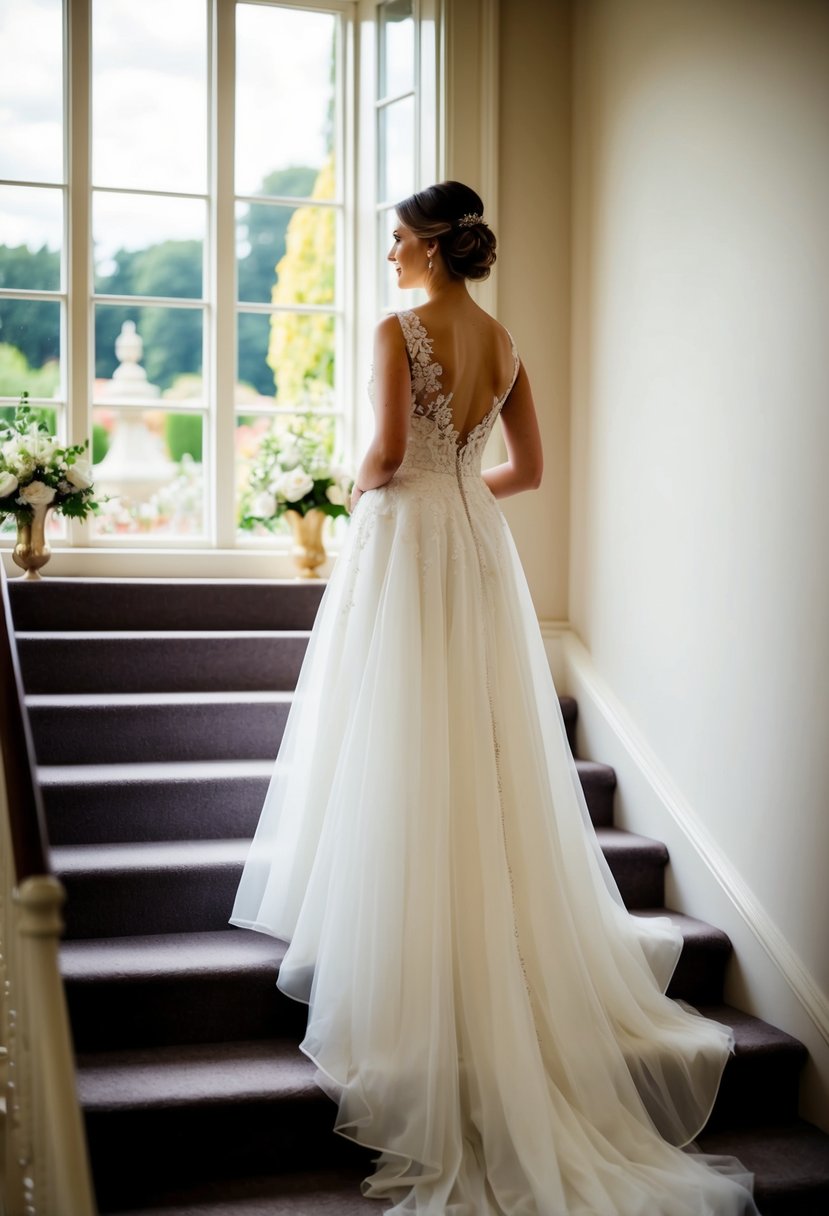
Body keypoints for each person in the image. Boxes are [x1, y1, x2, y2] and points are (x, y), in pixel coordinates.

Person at [231, 181, 758, 1215]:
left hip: (408, 541)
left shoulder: (399, 330)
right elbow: (531, 469)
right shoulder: (506, 338)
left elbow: (383, 454)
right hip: (474, 543)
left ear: (432, 244)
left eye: (395, 238)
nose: (387, 254)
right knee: (470, 731)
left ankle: (396, 928)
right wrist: (459, 493)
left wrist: (360, 488)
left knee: (394, 726)